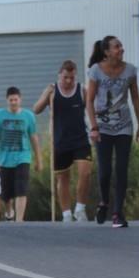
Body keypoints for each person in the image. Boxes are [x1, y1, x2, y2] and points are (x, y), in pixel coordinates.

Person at [87, 37, 139, 228]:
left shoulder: (130, 70)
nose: (121, 49)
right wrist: (93, 126)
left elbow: (135, 98)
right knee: (104, 172)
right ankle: (104, 201)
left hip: (123, 126)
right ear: (107, 52)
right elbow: (89, 100)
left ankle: (118, 213)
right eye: (117, 46)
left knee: (121, 169)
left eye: (121, 45)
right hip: (102, 127)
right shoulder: (96, 70)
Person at [34, 61, 92, 223]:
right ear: (60, 75)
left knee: (85, 173)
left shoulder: (82, 90)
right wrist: (47, 95)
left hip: (81, 139)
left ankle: (80, 209)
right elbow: (36, 109)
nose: (68, 81)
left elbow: (92, 109)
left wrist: (95, 127)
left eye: (71, 78)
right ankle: (66, 214)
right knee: (63, 178)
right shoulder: (52, 90)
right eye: (65, 78)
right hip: (60, 141)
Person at [0, 87, 42, 223]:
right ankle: (9, 212)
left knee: (21, 188)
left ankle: (19, 221)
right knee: (6, 194)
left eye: (16, 99)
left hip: (23, 157)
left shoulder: (28, 116)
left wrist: (38, 159)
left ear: (20, 99)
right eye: (11, 100)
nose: (13, 102)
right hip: (5, 159)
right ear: (7, 100)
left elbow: (34, 137)